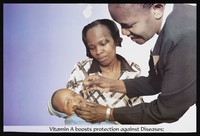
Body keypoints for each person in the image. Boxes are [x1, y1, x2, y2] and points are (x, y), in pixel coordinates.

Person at [75, 4, 196, 124]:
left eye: (128, 25)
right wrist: (112, 84)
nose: (123, 33)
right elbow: (158, 81)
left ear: (157, 9)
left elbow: (167, 110)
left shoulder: (185, 35)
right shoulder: (175, 23)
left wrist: (108, 114)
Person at [48, 19, 144, 124]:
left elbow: (137, 112)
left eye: (103, 44)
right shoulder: (81, 69)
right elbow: (69, 110)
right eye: (92, 48)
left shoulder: (133, 70)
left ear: (116, 40)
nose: (98, 52)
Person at [48, 88, 116, 124]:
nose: (75, 98)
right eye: (68, 101)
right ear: (64, 115)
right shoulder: (74, 121)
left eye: (74, 94)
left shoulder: (91, 109)